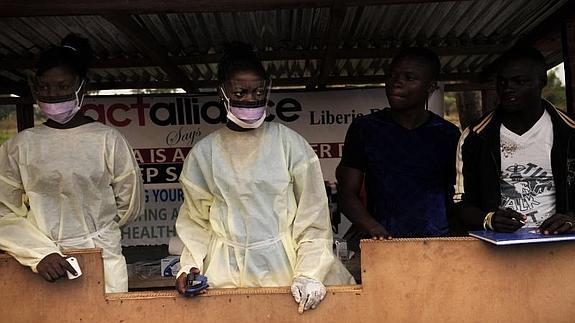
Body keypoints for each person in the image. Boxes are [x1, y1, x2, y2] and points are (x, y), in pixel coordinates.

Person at [175, 42, 354, 313]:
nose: (251, 99)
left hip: (286, 269)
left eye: (258, 91)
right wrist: (190, 266)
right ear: (221, 92)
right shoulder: (205, 154)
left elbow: (313, 220)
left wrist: (309, 273)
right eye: (241, 92)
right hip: (226, 275)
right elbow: (196, 221)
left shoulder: (290, 144)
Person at [0, 34, 144, 293]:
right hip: (44, 266)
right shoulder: (20, 145)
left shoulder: (107, 139)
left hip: (102, 257)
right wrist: (40, 252)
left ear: (81, 87)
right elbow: (3, 210)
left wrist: (95, 233)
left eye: (63, 86)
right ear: (35, 88)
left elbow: (129, 205)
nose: (53, 95)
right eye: (45, 87)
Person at [337, 47, 460, 241]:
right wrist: (373, 228)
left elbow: (459, 196)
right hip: (383, 243)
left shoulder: (447, 134)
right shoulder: (365, 128)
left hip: (438, 243)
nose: (396, 83)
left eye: (409, 78)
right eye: (392, 75)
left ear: (430, 87)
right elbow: (346, 193)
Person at [454, 47, 575, 234]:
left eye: (520, 81)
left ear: (542, 81)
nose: (508, 88)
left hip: (559, 249)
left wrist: (571, 219)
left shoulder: (569, 132)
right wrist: (489, 219)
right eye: (502, 82)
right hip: (498, 252)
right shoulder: (475, 137)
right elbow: (460, 202)